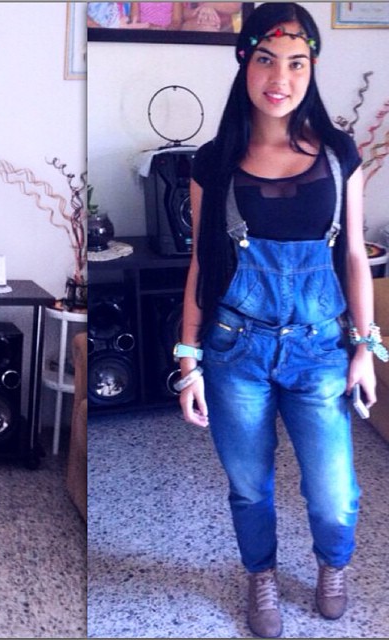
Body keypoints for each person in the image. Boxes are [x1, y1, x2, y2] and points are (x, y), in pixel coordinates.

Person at [176, 3, 380, 637]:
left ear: (311, 69)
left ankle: (332, 565)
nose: (280, 78)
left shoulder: (339, 154)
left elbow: (354, 256)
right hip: (234, 349)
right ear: (244, 62)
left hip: (320, 351)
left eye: (296, 63)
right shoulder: (213, 161)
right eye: (266, 59)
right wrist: (189, 362)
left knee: (334, 491)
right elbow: (202, 264)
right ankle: (260, 575)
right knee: (248, 484)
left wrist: (365, 349)